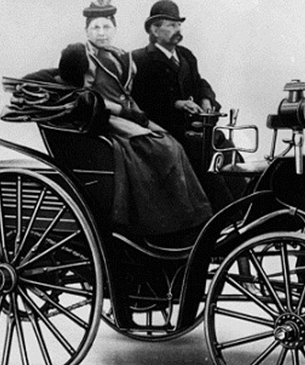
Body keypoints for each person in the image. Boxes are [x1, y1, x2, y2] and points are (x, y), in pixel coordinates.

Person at [58, 0, 212, 238]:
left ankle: (187, 218)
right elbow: (84, 96)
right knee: (164, 150)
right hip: (105, 117)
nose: (102, 33)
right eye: (96, 28)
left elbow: (128, 94)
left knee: (169, 142)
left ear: (114, 29)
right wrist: (125, 112)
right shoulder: (84, 56)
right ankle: (160, 220)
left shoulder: (121, 55)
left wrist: (140, 116)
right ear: (87, 31)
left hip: (128, 113)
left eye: (107, 27)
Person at [132, 0, 246, 212]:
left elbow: (200, 84)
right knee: (205, 156)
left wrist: (206, 99)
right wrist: (176, 104)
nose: (178, 30)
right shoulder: (140, 60)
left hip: (196, 128)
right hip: (167, 131)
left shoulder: (186, 55)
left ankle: (246, 207)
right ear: (154, 30)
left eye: (179, 25)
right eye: (171, 25)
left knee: (226, 147)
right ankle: (225, 214)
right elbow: (141, 101)